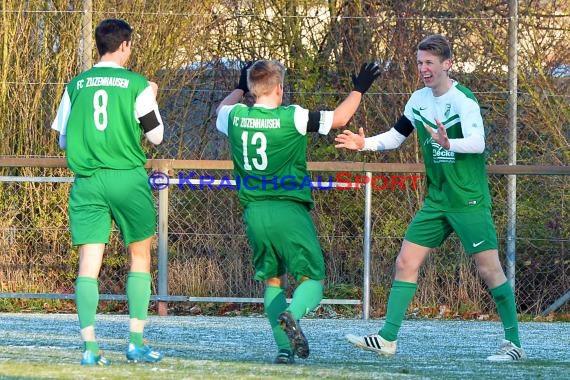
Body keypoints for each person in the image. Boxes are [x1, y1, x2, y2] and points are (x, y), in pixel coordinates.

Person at [335, 34, 526, 362]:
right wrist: (362, 144)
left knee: (489, 270)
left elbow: (478, 143)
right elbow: (396, 137)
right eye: (420, 63)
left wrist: (450, 143)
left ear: (447, 64)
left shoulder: (463, 101)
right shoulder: (418, 100)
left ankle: (515, 345)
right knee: (405, 262)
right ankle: (387, 339)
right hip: (436, 200)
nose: (424, 68)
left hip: (467, 199)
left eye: (429, 63)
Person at [216, 60, 380, 364]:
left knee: (273, 280)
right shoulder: (293, 117)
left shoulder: (235, 116)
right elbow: (341, 118)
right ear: (280, 88)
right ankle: (293, 314)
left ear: (252, 90)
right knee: (313, 280)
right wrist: (359, 88)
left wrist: (239, 88)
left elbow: (221, 109)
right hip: (288, 211)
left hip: (254, 213)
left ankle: (283, 349)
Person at [51, 18, 164, 366]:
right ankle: (134, 343)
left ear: (99, 45)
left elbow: (63, 139)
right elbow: (157, 136)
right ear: (125, 46)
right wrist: (153, 97)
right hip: (127, 179)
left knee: (88, 265)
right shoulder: (137, 85)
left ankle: (89, 348)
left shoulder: (76, 85)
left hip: (88, 181)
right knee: (140, 257)